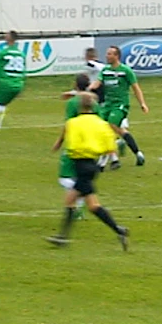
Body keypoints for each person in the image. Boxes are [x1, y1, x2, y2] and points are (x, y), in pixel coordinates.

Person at [46, 93, 129, 250]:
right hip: (92, 164)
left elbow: (71, 145)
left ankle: (63, 237)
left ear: (79, 106)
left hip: (81, 166)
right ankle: (119, 231)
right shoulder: (101, 124)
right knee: (90, 205)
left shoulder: (73, 123)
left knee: (76, 202)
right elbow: (110, 146)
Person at [90, 46, 148, 169]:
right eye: (107, 53)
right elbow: (97, 83)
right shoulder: (105, 70)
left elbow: (136, 88)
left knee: (110, 125)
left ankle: (103, 161)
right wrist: (88, 88)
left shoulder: (126, 71)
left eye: (109, 54)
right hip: (107, 105)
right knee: (108, 129)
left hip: (120, 105)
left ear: (116, 56)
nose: (107, 56)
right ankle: (137, 153)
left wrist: (142, 103)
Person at [58, 73, 98, 220]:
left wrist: (60, 141)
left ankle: (76, 207)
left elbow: (68, 124)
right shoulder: (94, 103)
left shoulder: (72, 103)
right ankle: (77, 207)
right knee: (82, 177)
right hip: (92, 144)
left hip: (76, 143)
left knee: (66, 178)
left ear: (76, 84)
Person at [0, 30, 27, 132]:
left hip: (5, 84)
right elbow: (23, 71)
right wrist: (21, 85)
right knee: (1, 103)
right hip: (18, 85)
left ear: (8, 38)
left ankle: (0, 115)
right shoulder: (21, 54)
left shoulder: (3, 53)